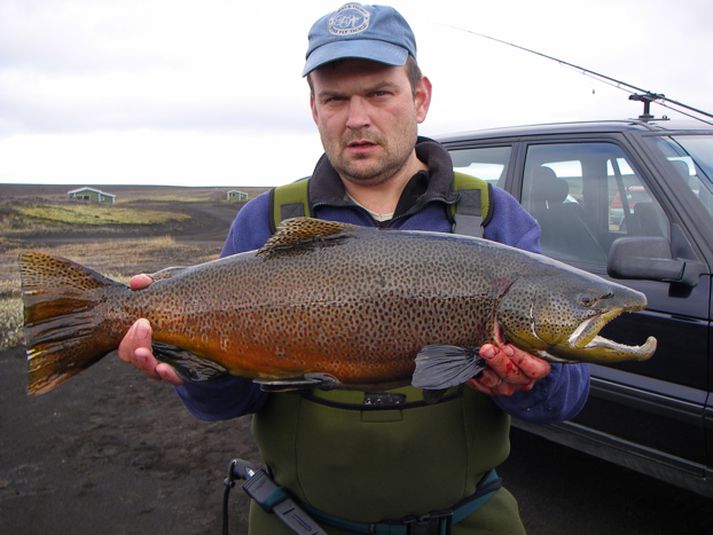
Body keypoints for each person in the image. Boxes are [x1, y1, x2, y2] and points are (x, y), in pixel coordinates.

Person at [118, 4, 590, 533]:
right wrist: (188, 366)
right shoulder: (265, 220)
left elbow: (565, 401)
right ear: (314, 108)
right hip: (297, 521)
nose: (357, 117)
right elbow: (230, 401)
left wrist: (530, 385)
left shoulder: (496, 217)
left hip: (465, 520)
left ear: (421, 97)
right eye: (335, 98)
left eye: (379, 92)